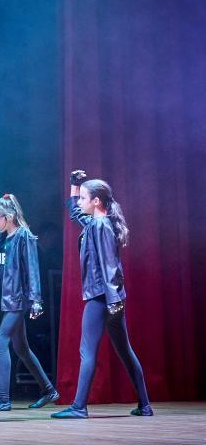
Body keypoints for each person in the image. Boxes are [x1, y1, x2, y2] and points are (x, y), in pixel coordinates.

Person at [51, 171, 152, 419]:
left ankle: (78, 407)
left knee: (87, 352)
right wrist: (75, 186)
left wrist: (114, 300)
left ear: (96, 201)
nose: (80, 202)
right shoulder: (95, 223)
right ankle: (145, 405)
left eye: (83, 198)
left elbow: (110, 265)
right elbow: (74, 213)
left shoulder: (101, 226)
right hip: (109, 298)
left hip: (102, 297)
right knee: (124, 351)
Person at [0, 189, 58, 410]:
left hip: (18, 298)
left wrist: (36, 300)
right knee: (21, 348)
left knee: (0, 342)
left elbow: (32, 269)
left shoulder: (24, 236)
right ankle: (49, 390)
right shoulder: (0, 236)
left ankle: (3, 398)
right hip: (6, 298)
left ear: (9, 217)